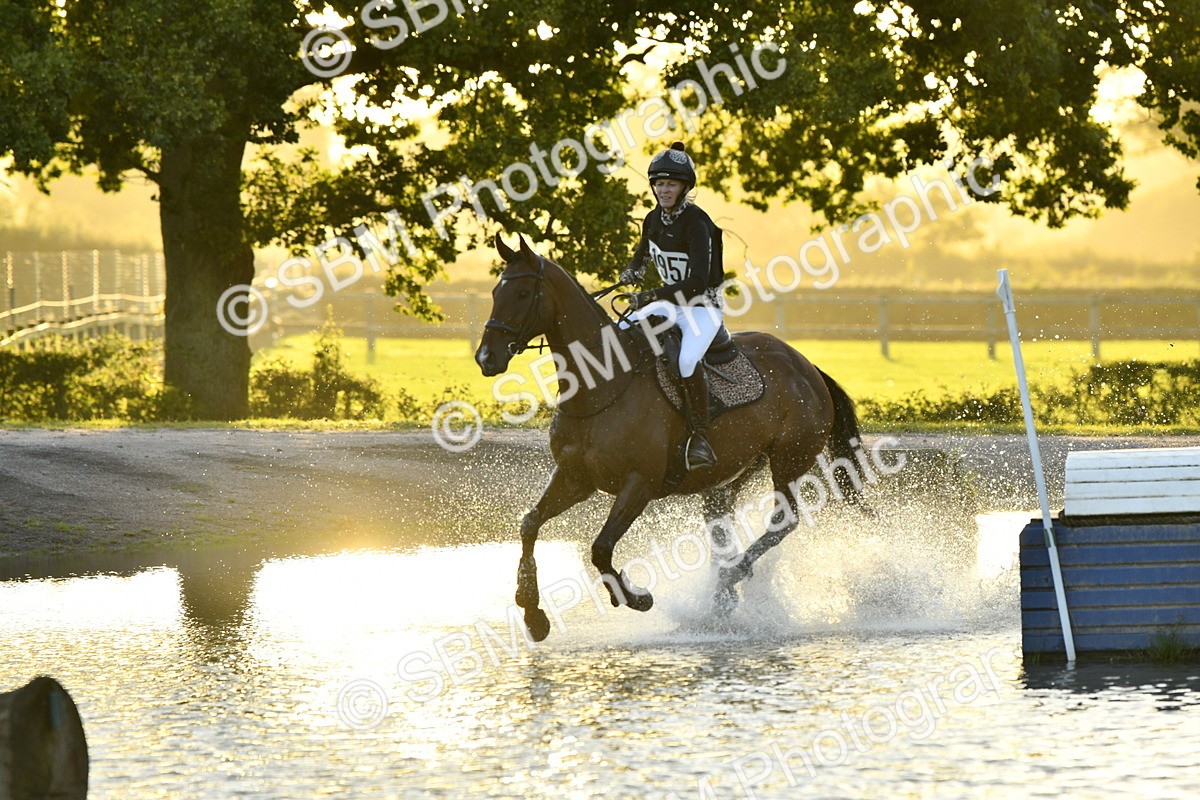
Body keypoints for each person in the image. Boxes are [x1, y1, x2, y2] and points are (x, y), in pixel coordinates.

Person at [620, 141, 725, 471]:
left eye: (671, 184)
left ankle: (701, 437)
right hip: (668, 303)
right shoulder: (652, 219)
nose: (664, 190)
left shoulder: (697, 224)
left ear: (684, 188)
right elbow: (641, 256)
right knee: (621, 331)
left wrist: (651, 295)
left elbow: (697, 282)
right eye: (660, 184)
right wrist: (632, 272)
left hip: (701, 307)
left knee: (687, 360)